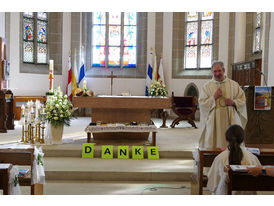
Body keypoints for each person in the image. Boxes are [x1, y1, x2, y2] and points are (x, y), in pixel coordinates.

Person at [199, 61, 247, 148]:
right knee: (212, 144)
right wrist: (214, 97)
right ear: (212, 72)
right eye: (215, 71)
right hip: (214, 120)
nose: (217, 74)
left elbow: (242, 99)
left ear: (224, 70)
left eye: (219, 71)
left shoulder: (233, 85)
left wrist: (233, 102)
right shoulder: (207, 86)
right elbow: (202, 103)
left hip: (230, 119)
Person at [207, 124, 261, 195]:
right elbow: (259, 180)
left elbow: (212, 184)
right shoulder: (252, 157)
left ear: (226, 139)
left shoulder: (220, 158)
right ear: (242, 139)